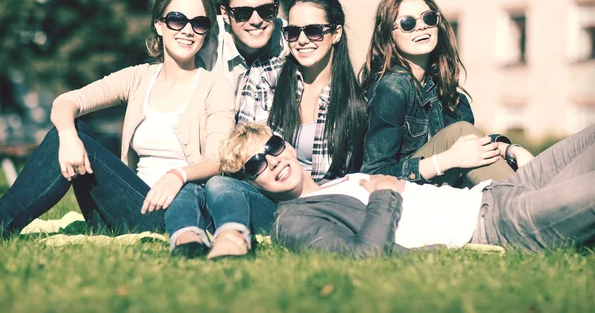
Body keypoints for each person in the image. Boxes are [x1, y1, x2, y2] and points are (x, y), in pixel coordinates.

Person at [0, 0, 235, 258]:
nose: (187, 30)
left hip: (177, 215)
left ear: (207, 31)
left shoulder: (214, 86)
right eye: (177, 19)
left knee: (80, 136)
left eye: (199, 23)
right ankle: (1, 221)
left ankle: (0, 223)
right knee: (76, 129)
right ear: (159, 25)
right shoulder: (139, 77)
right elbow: (67, 101)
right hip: (125, 205)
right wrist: (68, 136)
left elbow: (219, 161)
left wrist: (178, 175)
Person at [220, 122, 595, 257]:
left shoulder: (339, 180)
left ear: (285, 144)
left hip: (499, 190)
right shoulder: (293, 221)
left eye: (271, 147)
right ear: (252, 182)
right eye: (255, 164)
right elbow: (362, 259)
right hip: (499, 224)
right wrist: (385, 194)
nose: (271, 161)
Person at [203, 0, 367, 259]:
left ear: (336, 33)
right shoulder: (267, 77)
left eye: (314, 31)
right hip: (272, 202)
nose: (302, 40)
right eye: (293, 32)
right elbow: (241, 151)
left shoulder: (355, 101)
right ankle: (231, 240)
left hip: (324, 209)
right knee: (219, 185)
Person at [359, 0, 513, 187]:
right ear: (389, 35)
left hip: (444, 194)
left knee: (564, 154)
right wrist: (447, 160)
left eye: (429, 18)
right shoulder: (392, 88)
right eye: (408, 23)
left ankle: (529, 198)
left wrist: (509, 149)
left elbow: (472, 150)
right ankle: (524, 203)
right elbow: (374, 174)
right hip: (402, 197)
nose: (421, 27)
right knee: (461, 132)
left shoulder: (447, 93)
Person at [196, 0, 289, 99]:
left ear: (276, 9)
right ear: (225, 14)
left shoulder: (294, 39)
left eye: (266, 10)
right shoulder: (204, 41)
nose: (256, 20)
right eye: (243, 13)